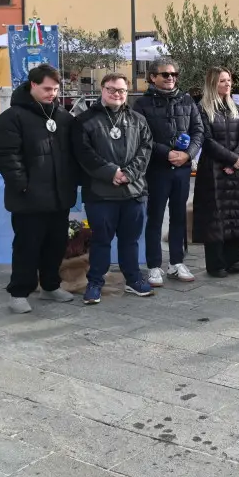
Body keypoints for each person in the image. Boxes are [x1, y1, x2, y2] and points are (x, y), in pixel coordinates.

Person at [0, 64, 78, 314]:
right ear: (33, 85)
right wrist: (23, 186)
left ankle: (50, 286)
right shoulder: (12, 117)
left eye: (56, 89)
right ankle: (19, 292)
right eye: (47, 88)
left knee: (56, 244)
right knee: (27, 246)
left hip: (59, 196)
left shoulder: (62, 116)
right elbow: (6, 156)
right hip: (29, 198)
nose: (52, 93)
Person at [72, 73, 156, 305]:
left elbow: (145, 150)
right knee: (101, 240)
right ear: (102, 89)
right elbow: (84, 154)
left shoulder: (138, 120)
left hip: (134, 192)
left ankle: (133, 279)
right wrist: (112, 173)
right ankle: (95, 282)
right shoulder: (85, 120)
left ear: (126, 92)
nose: (116, 94)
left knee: (130, 240)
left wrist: (128, 174)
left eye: (121, 90)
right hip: (100, 194)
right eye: (112, 89)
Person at [134, 57, 203, 287]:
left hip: (182, 169)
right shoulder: (141, 104)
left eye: (174, 74)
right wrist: (166, 153)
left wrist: (189, 154)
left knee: (178, 217)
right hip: (157, 169)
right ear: (153, 77)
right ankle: (154, 266)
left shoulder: (186, 100)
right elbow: (142, 137)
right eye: (165, 74)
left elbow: (198, 130)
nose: (171, 78)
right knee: (155, 218)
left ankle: (176, 262)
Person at [192, 68, 239, 278]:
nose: (227, 84)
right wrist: (231, 159)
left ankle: (233, 258)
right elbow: (207, 140)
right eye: (222, 81)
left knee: (236, 215)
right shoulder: (202, 109)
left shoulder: (237, 108)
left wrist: (237, 159)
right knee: (215, 218)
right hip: (212, 170)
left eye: (229, 80)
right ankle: (216, 263)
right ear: (212, 84)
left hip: (236, 170)